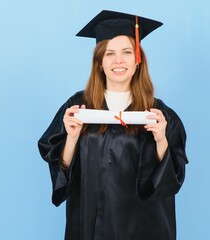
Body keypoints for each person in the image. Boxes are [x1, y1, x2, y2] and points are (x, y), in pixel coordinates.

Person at [38, 10, 188, 240]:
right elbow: (62, 175)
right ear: (100, 62)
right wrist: (72, 137)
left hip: (142, 228)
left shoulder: (159, 114)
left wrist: (161, 140)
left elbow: (171, 182)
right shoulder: (78, 107)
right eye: (110, 54)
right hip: (90, 226)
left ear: (137, 59)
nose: (119, 60)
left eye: (127, 52)